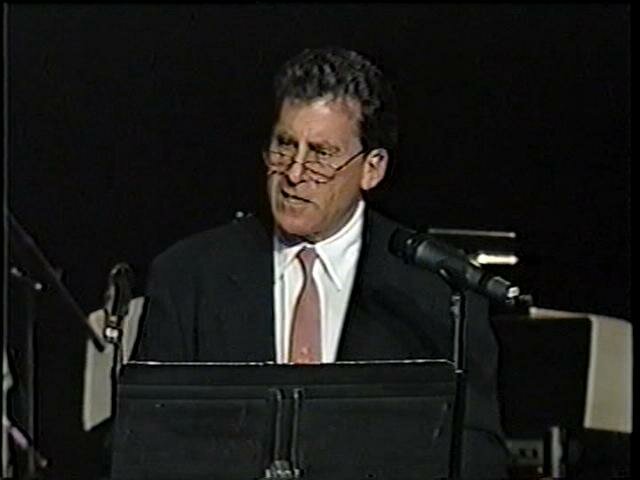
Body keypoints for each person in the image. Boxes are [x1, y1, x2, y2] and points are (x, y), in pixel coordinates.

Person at [134, 46, 509, 477]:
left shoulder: (437, 290)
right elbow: (143, 443)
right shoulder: (189, 276)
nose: (295, 174)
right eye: (284, 146)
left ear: (371, 169)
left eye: (321, 154)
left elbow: (478, 456)